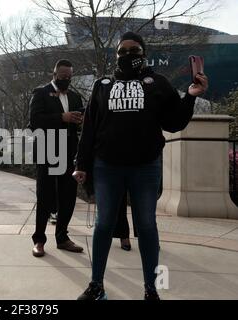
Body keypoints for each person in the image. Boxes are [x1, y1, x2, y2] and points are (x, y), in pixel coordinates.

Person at [73, 32, 208, 300]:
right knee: (103, 226)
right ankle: (96, 285)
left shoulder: (156, 82)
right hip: (107, 166)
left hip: (145, 166)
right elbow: (89, 128)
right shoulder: (102, 84)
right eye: (122, 51)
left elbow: (173, 122)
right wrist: (82, 163)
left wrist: (191, 96)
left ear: (143, 53)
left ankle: (150, 288)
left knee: (146, 226)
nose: (127, 55)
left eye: (133, 50)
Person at [29, 59, 85, 257]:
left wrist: (79, 120)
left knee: (68, 197)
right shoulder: (41, 93)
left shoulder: (75, 96)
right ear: (54, 74)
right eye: (63, 77)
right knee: (44, 197)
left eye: (70, 77)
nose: (66, 80)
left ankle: (62, 237)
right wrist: (62, 117)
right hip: (47, 150)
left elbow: (78, 124)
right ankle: (39, 240)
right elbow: (34, 121)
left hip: (69, 152)